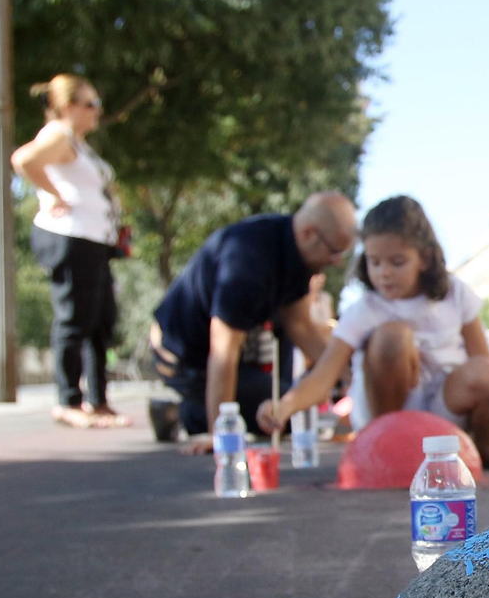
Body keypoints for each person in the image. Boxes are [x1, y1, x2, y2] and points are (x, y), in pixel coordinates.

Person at [258, 196, 489, 470]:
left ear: (424, 258)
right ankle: (386, 444)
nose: (384, 273)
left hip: (444, 410)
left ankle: (485, 447)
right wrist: (283, 407)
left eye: (397, 262)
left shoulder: (454, 293)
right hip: (387, 411)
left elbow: (488, 368)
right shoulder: (365, 308)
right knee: (392, 337)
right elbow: (323, 375)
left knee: (487, 372)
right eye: (374, 262)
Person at [149, 192, 358, 454]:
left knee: (284, 408)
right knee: (276, 415)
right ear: (309, 234)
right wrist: (220, 434)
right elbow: (223, 352)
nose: (337, 262)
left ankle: (203, 407)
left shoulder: (298, 256)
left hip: (224, 357)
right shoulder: (248, 261)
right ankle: (183, 413)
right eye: (335, 251)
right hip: (179, 356)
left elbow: (301, 327)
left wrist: (353, 373)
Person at [10, 74, 126, 429]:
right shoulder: (59, 134)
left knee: (100, 321)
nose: (97, 111)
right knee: (74, 318)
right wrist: (55, 194)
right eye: (90, 104)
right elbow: (24, 160)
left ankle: (98, 401)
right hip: (71, 238)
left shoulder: (78, 143)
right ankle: (68, 401)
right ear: (67, 107)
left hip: (94, 242)